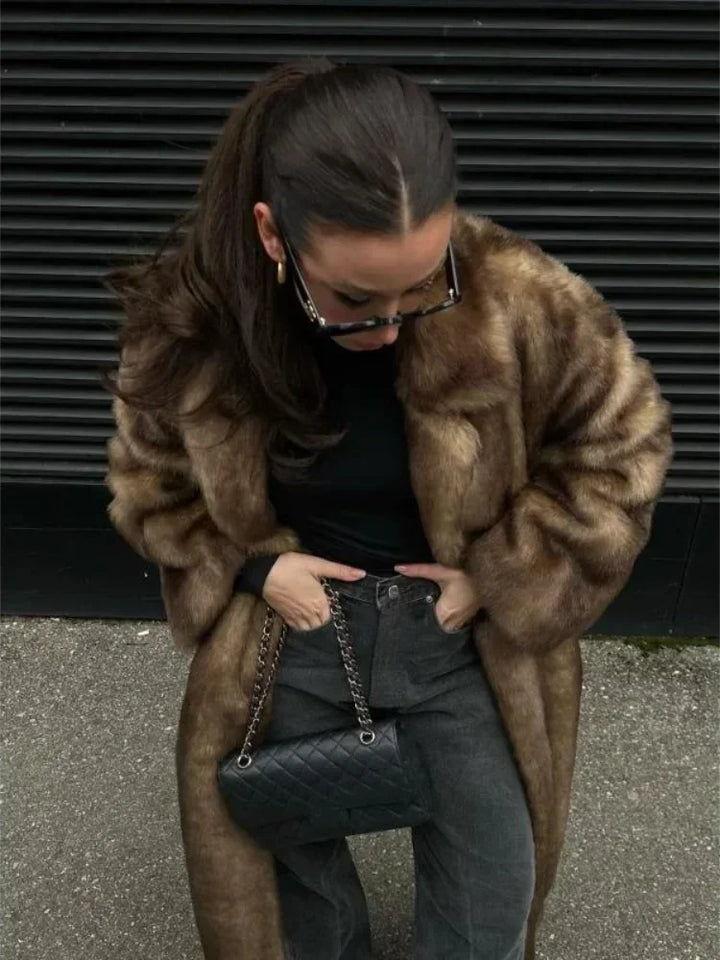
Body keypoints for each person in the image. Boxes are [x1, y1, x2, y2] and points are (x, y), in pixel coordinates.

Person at [101, 57, 674, 960]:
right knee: (288, 887)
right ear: (273, 235)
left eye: (425, 285)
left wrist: (503, 573)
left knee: (493, 887)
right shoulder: (194, 326)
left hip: (458, 646)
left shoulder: (518, 297)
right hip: (289, 639)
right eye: (357, 302)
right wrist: (255, 567)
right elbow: (151, 485)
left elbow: (622, 446)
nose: (396, 324)